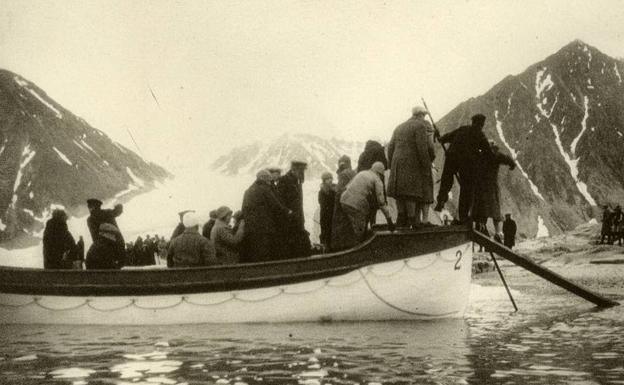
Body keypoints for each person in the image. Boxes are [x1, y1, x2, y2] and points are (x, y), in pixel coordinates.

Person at [434, 114, 494, 223]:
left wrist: (440, 137)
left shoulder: (462, 129)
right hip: (466, 163)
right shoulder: (480, 135)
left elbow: (444, 138)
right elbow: (489, 154)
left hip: (451, 157)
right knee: (466, 188)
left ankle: (441, 200)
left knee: (446, 180)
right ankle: (463, 217)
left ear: (472, 122)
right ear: (482, 124)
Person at [387, 106, 436, 228]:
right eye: (423, 116)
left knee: (400, 193)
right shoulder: (420, 126)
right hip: (412, 164)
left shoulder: (399, 127)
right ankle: (412, 221)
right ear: (420, 115)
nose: (424, 118)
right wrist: (426, 166)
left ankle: (401, 219)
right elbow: (422, 148)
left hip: (396, 163)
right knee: (411, 193)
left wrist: (392, 163)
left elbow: (390, 147)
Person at [241, 170, 293, 263]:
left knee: (256, 250)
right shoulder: (264, 188)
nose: (270, 183)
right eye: (268, 180)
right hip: (264, 226)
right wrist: (287, 211)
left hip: (251, 226)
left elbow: (244, 209)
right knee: (265, 250)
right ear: (264, 179)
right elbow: (275, 205)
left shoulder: (248, 191)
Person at [339, 162, 394, 247]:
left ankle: (350, 244)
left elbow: (347, 187)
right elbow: (381, 202)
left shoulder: (362, 173)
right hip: (355, 204)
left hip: (343, 200)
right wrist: (389, 220)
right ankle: (358, 249)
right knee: (360, 226)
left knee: (354, 225)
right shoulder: (377, 179)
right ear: (380, 173)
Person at [472, 140, 515, 241]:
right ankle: (498, 234)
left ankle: (482, 232)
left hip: (480, 188)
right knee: (495, 212)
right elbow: (508, 159)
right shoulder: (496, 156)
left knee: (482, 212)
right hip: (491, 187)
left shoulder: (480, 155)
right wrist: (512, 165)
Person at [277, 160, 312, 258]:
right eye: (301, 171)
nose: (302, 174)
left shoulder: (297, 182)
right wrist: (289, 213)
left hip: (297, 220)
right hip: (289, 221)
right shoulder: (284, 181)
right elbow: (280, 202)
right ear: (294, 170)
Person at [331, 155, 358, 251]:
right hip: (353, 203)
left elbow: (340, 191)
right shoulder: (354, 173)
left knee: (341, 226)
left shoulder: (343, 174)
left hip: (342, 204)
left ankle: (340, 248)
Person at [318, 172, 336, 249]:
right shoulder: (322, 192)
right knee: (325, 232)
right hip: (325, 215)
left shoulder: (334, 190)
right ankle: (325, 248)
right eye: (328, 179)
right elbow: (322, 203)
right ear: (324, 180)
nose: (330, 180)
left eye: (331, 178)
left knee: (331, 231)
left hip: (333, 214)